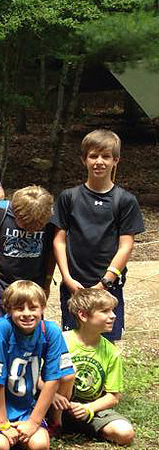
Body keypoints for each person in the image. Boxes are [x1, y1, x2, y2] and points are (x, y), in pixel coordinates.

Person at [0, 281, 75, 450]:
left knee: (40, 446)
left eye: (33, 308)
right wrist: (3, 424)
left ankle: (21, 423)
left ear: (43, 308)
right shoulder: (0, 329)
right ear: (8, 310)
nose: (27, 314)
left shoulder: (51, 331)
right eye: (19, 308)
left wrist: (33, 422)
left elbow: (53, 379)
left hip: (22, 399)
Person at [52, 130, 144, 342]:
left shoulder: (125, 200)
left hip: (108, 288)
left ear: (116, 160)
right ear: (84, 159)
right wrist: (67, 278)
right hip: (74, 287)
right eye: (93, 156)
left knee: (106, 345)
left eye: (106, 156)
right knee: (73, 344)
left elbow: (126, 246)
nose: (99, 162)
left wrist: (105, 282)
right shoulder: (69, 198)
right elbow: (59, 240)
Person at [55, 288, 134, 445]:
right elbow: (39, 377)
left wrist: (89, 408)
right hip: (55, 404)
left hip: (89, 407)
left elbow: (113, 396)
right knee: (69, 371)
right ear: (83, 315)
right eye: (105, 311)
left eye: (112, 310)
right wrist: (53, 398)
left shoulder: (111, 351)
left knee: (125, 433)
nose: (113, 315)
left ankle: (81, 426)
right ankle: (56, 424)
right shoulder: (61, 341)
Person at [0, 186, 56, 329]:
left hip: (33, 289)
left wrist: (47, 283)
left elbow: (50, 254)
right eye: (25, 224)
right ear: (16, 213)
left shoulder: (49, 220)